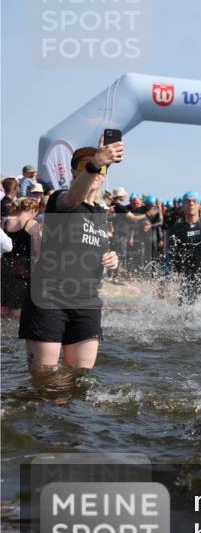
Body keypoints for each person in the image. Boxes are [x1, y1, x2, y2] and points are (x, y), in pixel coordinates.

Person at [17, 141, 122, 373]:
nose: (95, 169)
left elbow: (92, 245)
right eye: (86, 164)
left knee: (80, 378)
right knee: (44, 379)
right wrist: (95, 163)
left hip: (86, 301)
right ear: (76, 171)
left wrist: (110, 256)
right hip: (49, 299)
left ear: (104, 176)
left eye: (101, 167)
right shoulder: (60, 199)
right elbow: (74, 198)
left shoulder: (100, 213)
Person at [1, 198, 40, 319]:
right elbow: (37, 252)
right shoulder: (33, 224)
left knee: (2, 306)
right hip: (23, 268)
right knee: (17, 310)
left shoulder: (7, 222)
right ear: (33, 210)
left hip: (5, 265)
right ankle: (14, 337)